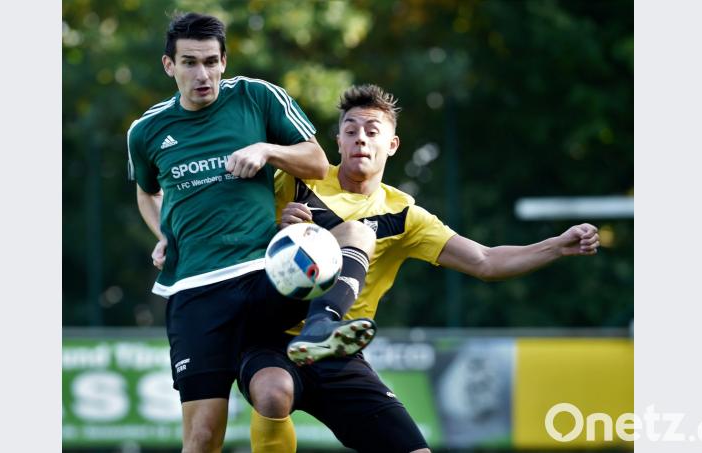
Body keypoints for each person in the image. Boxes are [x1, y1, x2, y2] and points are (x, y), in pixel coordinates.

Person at [238, 84, 601, 452]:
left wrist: (557, 245)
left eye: (371, 131)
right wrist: (277, 228)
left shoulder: (405, 214)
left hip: (339, 352)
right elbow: (235, 238)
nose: (360, 139)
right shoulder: (297, 182)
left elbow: (485, 261)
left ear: (392, 145)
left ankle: (326, 326)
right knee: (272, 392)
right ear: (338, 142)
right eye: (350, 131)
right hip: (273, 335)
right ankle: (320, 322)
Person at [127, 13, 377, 452]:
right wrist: (161, 233)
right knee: (202, 438)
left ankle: (322, 325)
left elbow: (318, 162)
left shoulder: (257, 97)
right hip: (193, 291)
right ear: (169, 65)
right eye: (189, 62)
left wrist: (266, 150)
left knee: (351, 234)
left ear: (224, 60)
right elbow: (147, 193)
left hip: (265, 274)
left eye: (210, 61)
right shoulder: (146, 131)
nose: (201, 74)